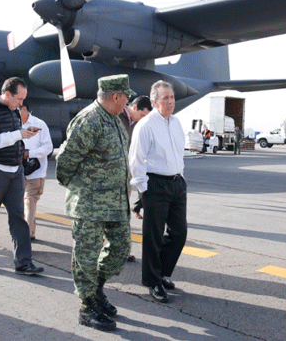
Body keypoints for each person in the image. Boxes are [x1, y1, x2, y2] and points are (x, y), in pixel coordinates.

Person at [56, 75, 135, 331]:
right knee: (86, 257)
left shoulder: (114, 120)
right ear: (116, 96)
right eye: (126, 97)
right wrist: (79, 190)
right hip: (89, 204)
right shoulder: (89, 120)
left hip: (116, 203)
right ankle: (87, 306)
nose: (128, 102)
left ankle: (96, 290)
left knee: (120, 250)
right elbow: (66, 161)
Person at [0, 77, 43, 276]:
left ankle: (23, 262)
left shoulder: (13, 110)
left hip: (14, 169)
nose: (21, 104)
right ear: (7, 94)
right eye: (18, 99)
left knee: (18, 218)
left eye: (23, 100)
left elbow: (11, 134)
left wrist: (24, 133)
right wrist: (18, 135)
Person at [129, 80, 187, 304]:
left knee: (179, 233)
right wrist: (144, 190)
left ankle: (161, 272)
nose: (171, 101)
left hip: (176, 184)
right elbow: (136, 160)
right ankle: (153, 282)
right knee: (153, 236)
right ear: (154, 102)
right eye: (166, 98)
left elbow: (178, 154)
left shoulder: (176, 123)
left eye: (172, 97)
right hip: (155, 185)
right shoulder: (146, 125)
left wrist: (181, 178)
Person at [119, 95, 153, 253]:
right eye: (142, 115)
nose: (143, 119)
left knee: (124, 211)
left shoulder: (139, 125)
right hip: (112, 174)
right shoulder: (117, 116)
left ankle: (121, 251)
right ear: (134, 108)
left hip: (128, 174)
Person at [20, 100, 53, 241]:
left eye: (19, 109)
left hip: (35, 171)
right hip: (17, 170)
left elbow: (48, 148)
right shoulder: (12, 124)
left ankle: (25, 235)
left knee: (29, 201)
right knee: (21, 203)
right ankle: (30, 231)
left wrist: (29, 153)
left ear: (25, 109)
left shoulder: (40, 124)